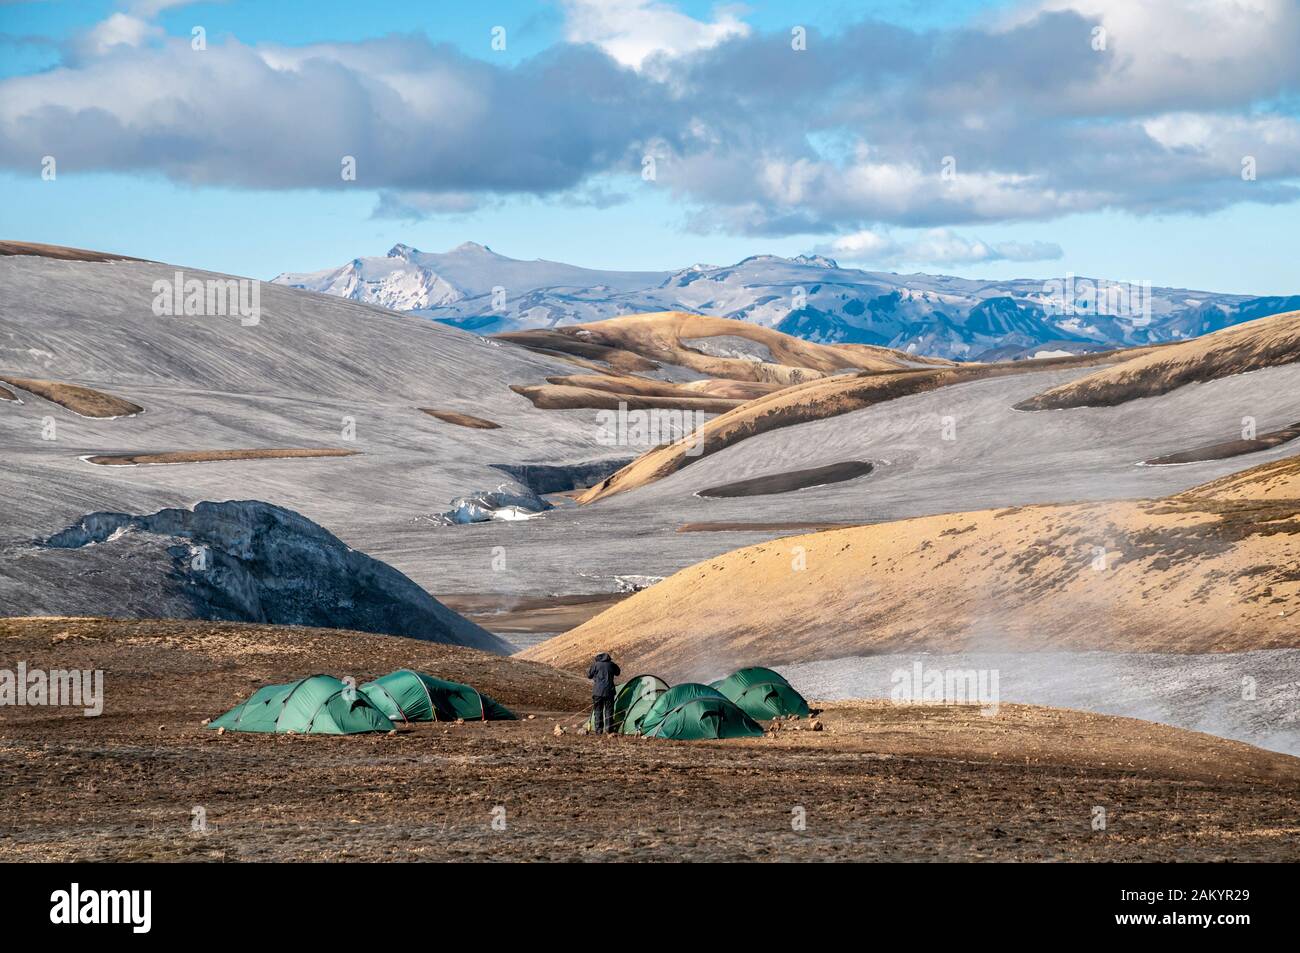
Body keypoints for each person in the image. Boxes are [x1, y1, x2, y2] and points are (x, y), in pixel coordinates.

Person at [587, 652, 620, 735]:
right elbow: (618, 673)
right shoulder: (612, 664)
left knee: (598, 711)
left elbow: (589, 675)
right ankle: (609, 730)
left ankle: (598, 730)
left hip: (597, 692)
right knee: (609, 711)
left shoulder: (596, 665)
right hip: (609, 691)